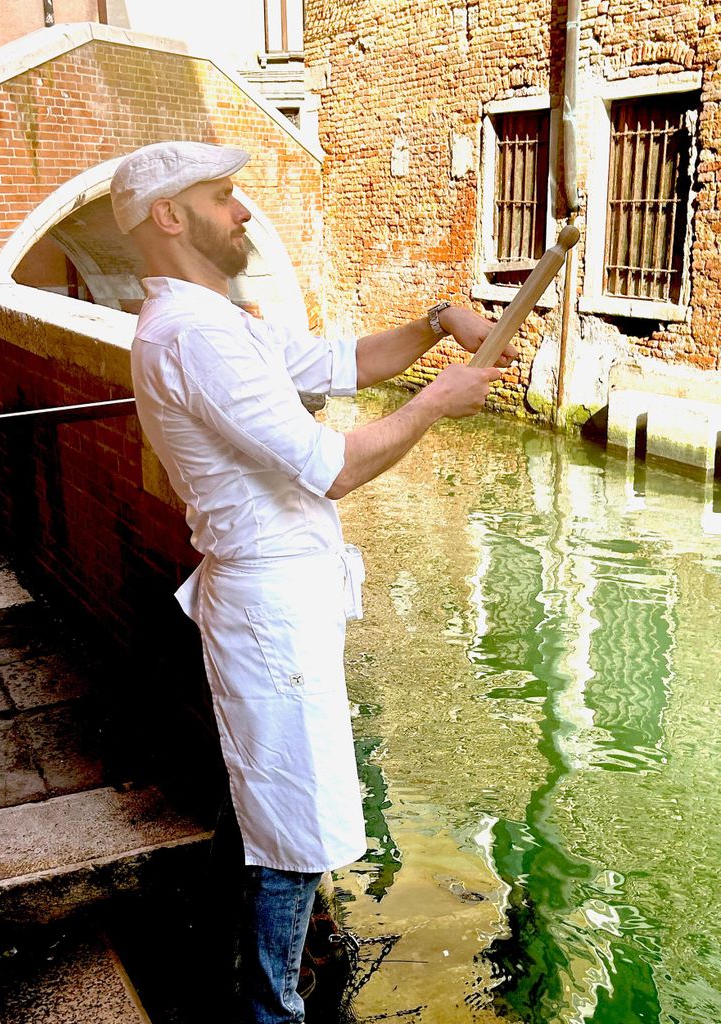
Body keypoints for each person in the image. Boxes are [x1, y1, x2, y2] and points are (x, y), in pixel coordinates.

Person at [109, 140, 513, 1024]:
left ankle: (218, 965)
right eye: (222, 196)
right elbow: (326, 465)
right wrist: (438, 403)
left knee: (261, 789)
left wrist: (441, 317)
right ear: (168, 217)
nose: (242, 210)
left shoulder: (216, 323)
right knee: (293, 818)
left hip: (282, 599)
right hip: (268, 607)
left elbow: (340, 363)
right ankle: (271, 1011)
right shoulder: (191, 337)